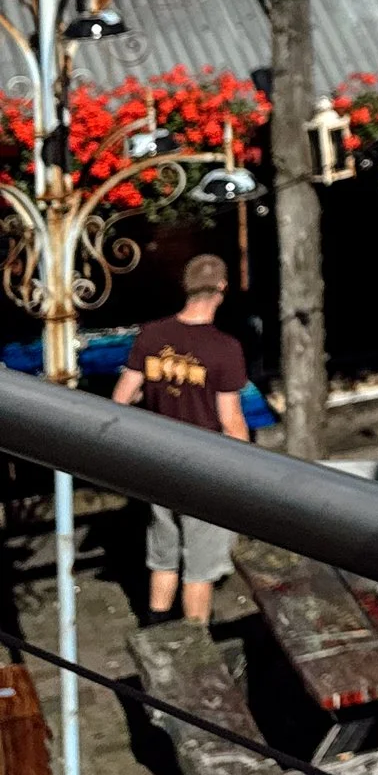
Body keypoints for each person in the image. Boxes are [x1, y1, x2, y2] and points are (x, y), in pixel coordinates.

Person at [110, 254, 251, 620]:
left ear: (185, 288)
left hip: (159, 463)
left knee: (163, 559)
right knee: (200, 570)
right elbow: (231, 419)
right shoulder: (225, 348)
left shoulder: (152, 334)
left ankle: (156, 628)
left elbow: (121, 399)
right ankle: (195, 649)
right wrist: (251, 474)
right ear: (221, 289)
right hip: (204, 469)